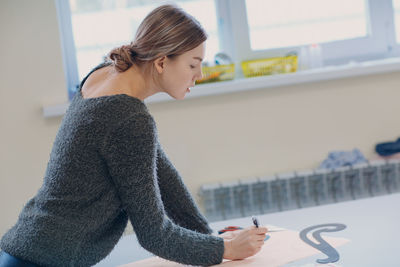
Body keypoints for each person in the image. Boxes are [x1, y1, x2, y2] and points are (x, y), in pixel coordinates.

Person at [0, 4, 268, 267]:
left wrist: (208, 238)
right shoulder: (130, 118)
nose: (199, 74)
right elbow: (155, 235)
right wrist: (227, 249)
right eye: (193, 65)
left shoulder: (104, 74)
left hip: (25, 247)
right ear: (162, 62)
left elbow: (162, 175)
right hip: (46, 261)